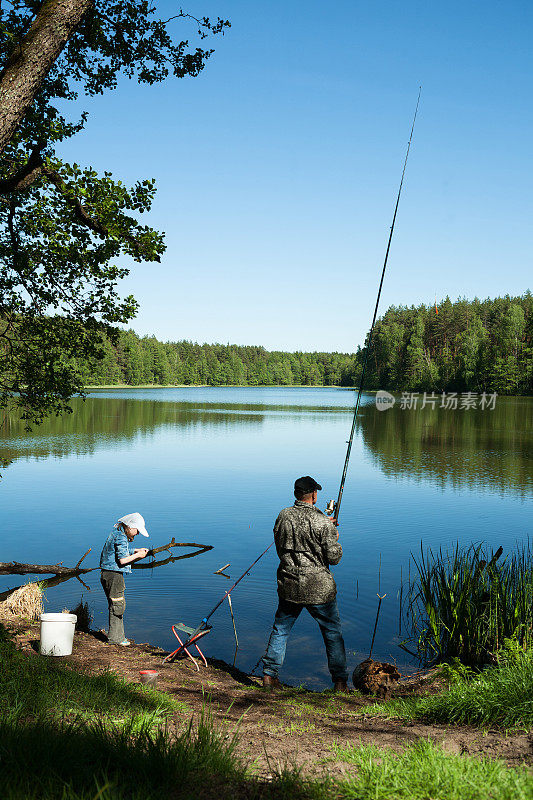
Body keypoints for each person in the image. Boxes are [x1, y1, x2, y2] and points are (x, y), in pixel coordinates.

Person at [262, 476, 349, 692]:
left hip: (289, 584)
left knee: (281, 629)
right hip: (319, 588)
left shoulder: (283, 515)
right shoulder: (322, 522)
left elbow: (281, 547)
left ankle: (269, 677)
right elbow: (334, 558)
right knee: (332, 632)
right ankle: (339, 682)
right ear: (314, 495)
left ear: (295, 494)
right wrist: (334, 537)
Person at [99, 512, 150, 646]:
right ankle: (115, 639)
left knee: (114, 604)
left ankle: (118, 636)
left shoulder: (116, 534)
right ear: (130, 526)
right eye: (137, 530)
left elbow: (120, 551)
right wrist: (138, 556)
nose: (138, 533)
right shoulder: (121, 537)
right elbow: (122, 560)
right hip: (114, 576)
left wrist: (135, 550)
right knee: (118, 606)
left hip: (107, 574)